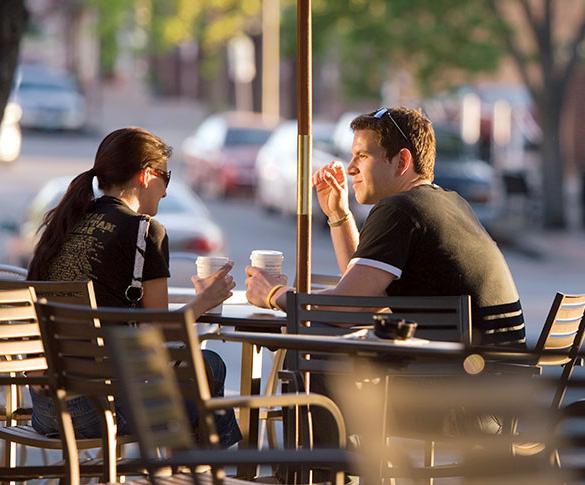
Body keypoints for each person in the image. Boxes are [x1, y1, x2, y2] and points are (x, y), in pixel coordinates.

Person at [27, 127, 241, 447]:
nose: (166, 191)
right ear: (146, 175)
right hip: (99, 411)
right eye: (165, 179)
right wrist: (205, 300)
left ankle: (183, 474)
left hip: (45, 410)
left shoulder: (66, 223)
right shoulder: (144, 231)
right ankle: (204, 473)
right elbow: (157, 334)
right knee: (208, 366)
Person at [246, 106, 525, 346]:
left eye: (362, 156)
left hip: (453, 389)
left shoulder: (400, 209)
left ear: (402, 161)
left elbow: (346, 309)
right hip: (495, 387)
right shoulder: (449, 203)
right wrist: (339, 215)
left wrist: (274, 294)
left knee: (312, 346)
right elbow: (362, 295)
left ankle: (305, 409)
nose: (350, 167)